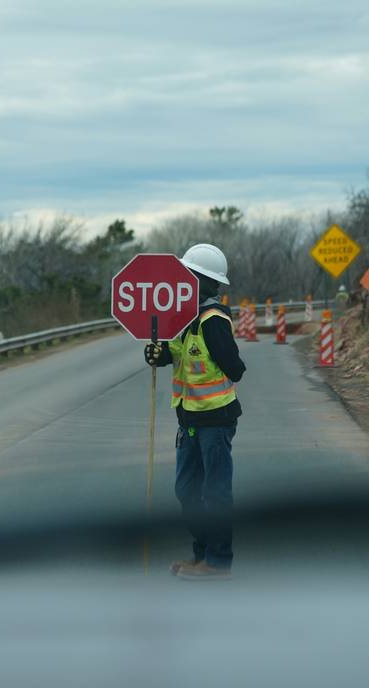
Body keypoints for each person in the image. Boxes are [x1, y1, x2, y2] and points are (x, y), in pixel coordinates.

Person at [144, 243, 245, 581]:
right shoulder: (183, 318)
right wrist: (156, 354)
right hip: (187, 420)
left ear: (202, 281)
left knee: (215, 493)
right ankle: (201, 554)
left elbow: (235, 368)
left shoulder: (213, 320)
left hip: (216, 420)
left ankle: (218, 562)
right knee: (187, 491)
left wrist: (218, 353)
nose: (180, 280)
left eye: (187, 275)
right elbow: (172, 352)